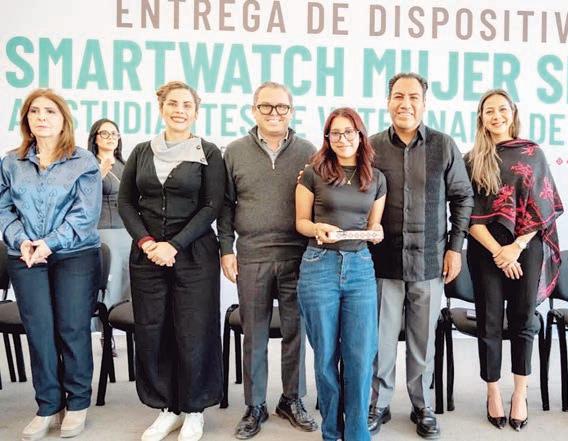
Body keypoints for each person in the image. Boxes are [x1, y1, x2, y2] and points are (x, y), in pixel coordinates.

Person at [368, 72, 474, 439]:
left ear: (424, 103)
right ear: (388, 102)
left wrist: (455, 248)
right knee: (379, 341)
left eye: (413, 97)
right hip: (382, 263)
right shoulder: (372, 147)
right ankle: (378, 404)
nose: (405, 103)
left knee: (423, 341)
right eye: (398, 96)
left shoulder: (443, 146)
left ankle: (423, 405)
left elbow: (463, 197)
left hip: (430, 261)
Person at [118, 81, 225, 441]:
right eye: (173, 103)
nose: (180, 110)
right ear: (161, 107)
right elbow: (126, 203)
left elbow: (211, 206)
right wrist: (148, 242)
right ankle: (168, 408)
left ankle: (194, 410)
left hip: (194, 254)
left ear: (196, 111)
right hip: (148, 255)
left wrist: (174, 245)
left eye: (187, 105)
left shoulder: (208, 152)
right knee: (154, 329)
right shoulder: (141, 152)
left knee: (194, 329)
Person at [217, 81, 317, 439]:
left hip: (297, 256)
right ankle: (255, 404)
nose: (274, 113)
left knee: (295, 332)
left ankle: (292, 399)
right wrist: (226, 249)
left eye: (281, 107)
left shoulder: (308, 151)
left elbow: (320, 201)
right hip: (253, 255)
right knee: (254, 334)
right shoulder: (235, 152)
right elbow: (225, 205)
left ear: (291, 111)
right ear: (253, 110)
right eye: (266, 106)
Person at [0, 88, 102, 440]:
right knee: (40, 331)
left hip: (76, 254)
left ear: (63, 120)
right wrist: (21, 241)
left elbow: (85, 214)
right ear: (26, 119)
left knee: (72, 328)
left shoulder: (83, 161)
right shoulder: (11, 162)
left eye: (50, 111)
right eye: (34, 111)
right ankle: (47, 405)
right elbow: (3, 209)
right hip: (25, 256)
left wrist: (48, 243)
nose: (41, 117)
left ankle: (77, 403)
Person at [465, 89, 563, 431]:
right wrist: (499, 251)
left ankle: (520, 393)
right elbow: (466, 215)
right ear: (481, 118)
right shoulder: (471, 159)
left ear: (513, 113)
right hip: (485, 248)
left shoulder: (532, 153)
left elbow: (543, 206)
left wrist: (516, 247)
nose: (496, 116)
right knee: (489, 321)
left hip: (526, 246)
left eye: (502, 109)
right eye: (489, 111)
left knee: (523, 319)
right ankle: (492, 392)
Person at [296, 107, 387, 441]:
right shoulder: (312, 173)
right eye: (335, 133)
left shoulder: (377, 178)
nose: (342, 138)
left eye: (349, 131)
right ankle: (332, 431)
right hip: (319, 265)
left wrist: (377, 233)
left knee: (360, 356)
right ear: (327, 137)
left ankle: (357, 432)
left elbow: (374, 225)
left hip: (360, 267)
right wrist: (317, 228)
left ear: (360, 135)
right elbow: (300, 222)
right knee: (325, 357)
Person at [87, 118, 129, 352]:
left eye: (114, 133)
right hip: (104, 231)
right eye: (104, 133)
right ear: (95, 138)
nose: (111, 137)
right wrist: (99, 173)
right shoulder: (88, 163)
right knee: (110, 285)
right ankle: (105, 332)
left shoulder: (124, 164)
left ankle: (125, 325)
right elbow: (84, 197)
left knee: (127, 283)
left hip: (128, 231)